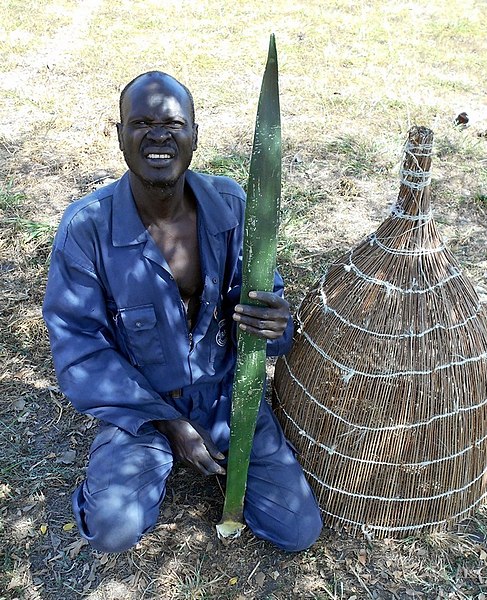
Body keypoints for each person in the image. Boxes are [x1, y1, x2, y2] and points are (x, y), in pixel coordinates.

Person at [42, 71, 322, 554]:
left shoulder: (232, 207)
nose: (158, 135)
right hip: (145, 403)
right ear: (119, 134)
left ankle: (225, 451)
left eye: (173, 123)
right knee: (112, 530)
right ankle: (138, 455)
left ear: (194, 134)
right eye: (141, 122)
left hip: (227, 397)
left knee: (297, 530)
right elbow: (80, 346)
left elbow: (264, 318)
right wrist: (169, 425)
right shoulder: (86, 228)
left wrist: (274, 324)